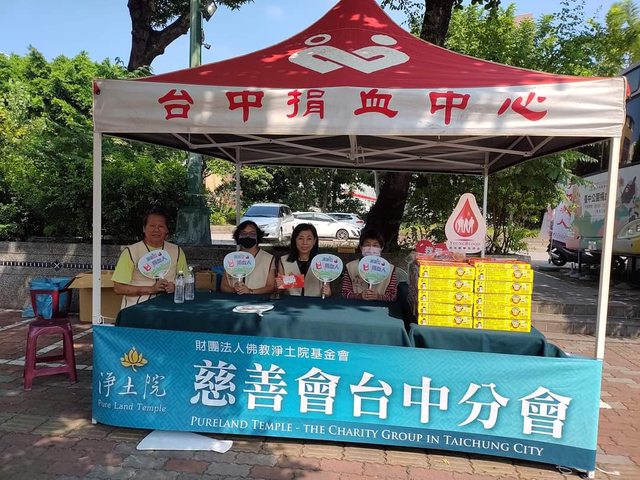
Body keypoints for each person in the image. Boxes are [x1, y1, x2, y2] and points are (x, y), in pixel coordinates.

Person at [112, 207, 188, 309]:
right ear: (144, 228)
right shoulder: (131, 252)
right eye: (152, 226)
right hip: (136, 308)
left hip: (169, 308)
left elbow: (186, 281)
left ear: (166, 230)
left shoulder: (177, 251)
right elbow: (118, 288)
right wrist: (151, 289)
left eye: (161, 226)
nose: (156, 230)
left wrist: (175, 287)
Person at [220, 220, 276, 295]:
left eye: (252, 234)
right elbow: (224, 286)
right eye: (244, 233)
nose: (248, 236)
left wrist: (250, 291)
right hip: (234, 299)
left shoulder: (268, 259)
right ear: (238, 236)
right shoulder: (231, 258)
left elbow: (271, 287)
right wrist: (234, 289)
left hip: (258, 300)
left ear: (258, 236)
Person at [277, 223, 331, 297]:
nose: (304, 243)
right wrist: (280, 286)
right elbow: (280, 289)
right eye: (300, 238)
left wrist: (327, 292)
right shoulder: (283, 261)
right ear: (294, 240)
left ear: (314, 241)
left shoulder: (323, 261)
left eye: (309, 239)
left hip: (315, 302)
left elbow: (327, 292)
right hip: (292, 302)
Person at [342, 229, 397, 301]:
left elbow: (393, 296)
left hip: (381, 306)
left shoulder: (390, 269)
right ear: (361, 247)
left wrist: (378, 297)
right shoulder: (350, 267)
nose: (371, 248)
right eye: (367, 245)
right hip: (356, 305)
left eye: (375, 245)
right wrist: (359, 296)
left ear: (381, 248)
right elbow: (345, 293)